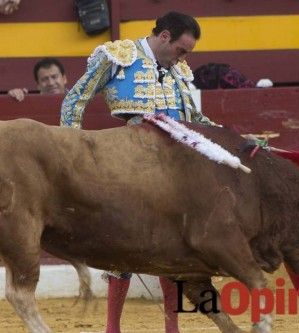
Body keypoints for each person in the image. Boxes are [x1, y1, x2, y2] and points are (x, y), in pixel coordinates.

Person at [60, 11, 216, 333]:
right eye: (180, 50)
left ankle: (172, 327)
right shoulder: (117, 56)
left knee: (173, 248)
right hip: (130, 164)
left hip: (174, 171)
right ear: (164, 37)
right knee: (123, 244)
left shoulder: (178, 71)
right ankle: (112, 327)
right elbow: (75, 99)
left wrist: (234, 139)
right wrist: (71, 151)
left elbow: (196, 121)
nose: (183, 58)